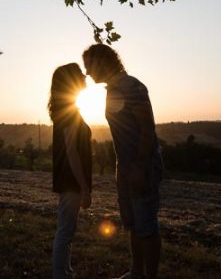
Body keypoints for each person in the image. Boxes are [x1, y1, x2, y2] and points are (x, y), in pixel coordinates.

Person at [82, 44, 163, 279]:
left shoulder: (132, 86)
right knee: (133, 223)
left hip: (142, 165)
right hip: (126, 166)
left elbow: (147, 129)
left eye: (89, 66)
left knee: (146, 225)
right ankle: (136, 272)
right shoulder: (113, 89)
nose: (87, 73)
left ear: (101, 62)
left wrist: (139, 167)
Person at [49, 63, 93, 279]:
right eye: (80, 74)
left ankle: (66, 272)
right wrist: (84, 187)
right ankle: (61, 275)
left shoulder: (66, 109)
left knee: (67, 229)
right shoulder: (70, 112)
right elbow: (72, 151)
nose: (85, 77)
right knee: (65, 232)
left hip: (68, 179)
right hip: (71, 181)